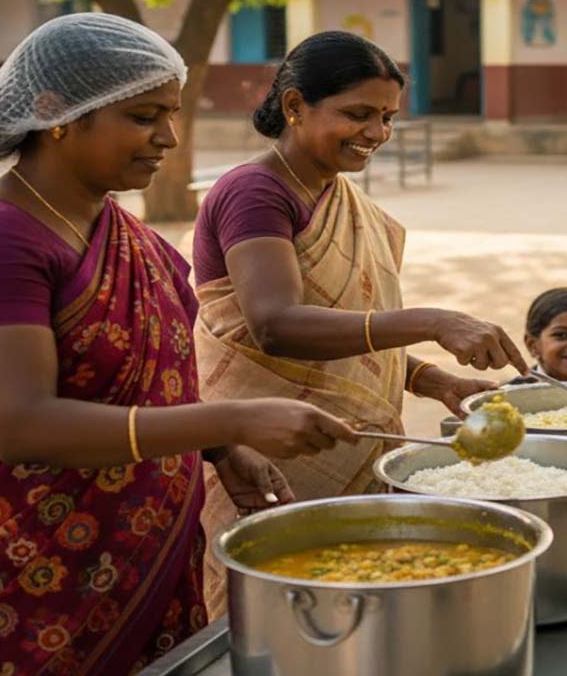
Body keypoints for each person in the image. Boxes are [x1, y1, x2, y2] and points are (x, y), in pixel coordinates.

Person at [0, 13, 351, 674]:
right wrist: (232, 420)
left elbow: (159, 378)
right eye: (144, 117)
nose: (170, 137)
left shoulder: (125, 233)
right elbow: (21, 425)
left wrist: (223, 452)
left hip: (146, 550)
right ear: (55, 113)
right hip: (30, 571)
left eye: (171, 114)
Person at [191, 31, 526, 615]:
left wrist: (430, 380)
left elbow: (345, 333)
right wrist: (432, 321)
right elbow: (275, 326)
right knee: (278, 614)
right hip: (268, 451)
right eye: (358, 114)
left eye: (388, 117)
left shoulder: (335, 195)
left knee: (342, 610)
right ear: (295, 106)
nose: (377, 133)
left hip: (339, 446)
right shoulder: (254, 192)